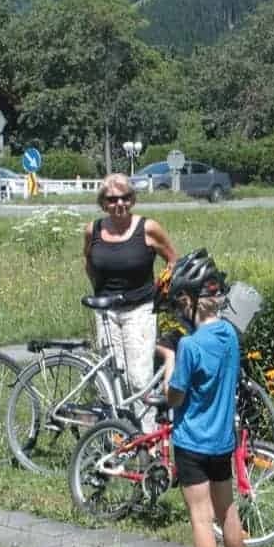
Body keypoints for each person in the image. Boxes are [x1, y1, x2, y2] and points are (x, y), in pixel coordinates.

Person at [164, 249, 251, 547]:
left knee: (201, 518)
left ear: (190, 300)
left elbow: (174, 396)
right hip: (221, 442)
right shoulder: (230, 335)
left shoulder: (189, 346)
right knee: (227, 509)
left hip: (192, 442)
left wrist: (169, 360)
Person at [82, 173, 177, 426]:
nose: (119, 204)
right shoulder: (94, 230)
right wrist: (100, 293)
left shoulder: (148, 228)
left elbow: (172, 259)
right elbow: (89, 264)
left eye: (125, 198)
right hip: (105, 311)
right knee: (114, 379)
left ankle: (149, 443)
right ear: (103, 203)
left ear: (132, 199)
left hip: (140, 308)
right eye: (112, 199)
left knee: (138, 379)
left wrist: (163, 286)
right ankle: (120, 439)